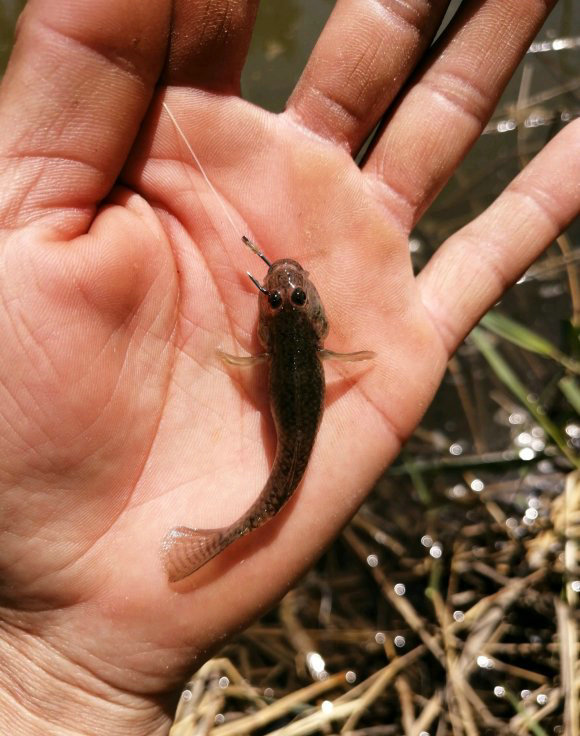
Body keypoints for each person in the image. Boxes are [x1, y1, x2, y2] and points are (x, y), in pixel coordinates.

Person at [0, 0, 577, 732]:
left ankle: (220, 540)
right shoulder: (297, 339)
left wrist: (56, 679)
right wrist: (48, 673)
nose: (281, 290)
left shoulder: (289, 344)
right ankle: (213, 542)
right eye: (281, 299)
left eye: (284, 299)